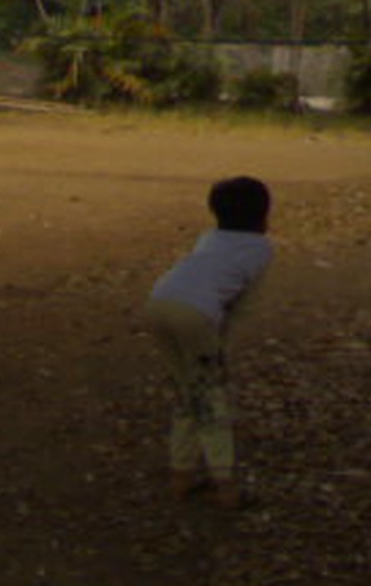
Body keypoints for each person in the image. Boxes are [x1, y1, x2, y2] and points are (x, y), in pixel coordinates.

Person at [145, 176, 273, 508]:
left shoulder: (208, 238)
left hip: (159, 301)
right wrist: (222, 349)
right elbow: (242, 309)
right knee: (212, 399)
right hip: (197, 316)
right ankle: (226, 485)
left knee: (187, 390)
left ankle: (181, 474)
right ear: (262, 216)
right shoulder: (261, 250)